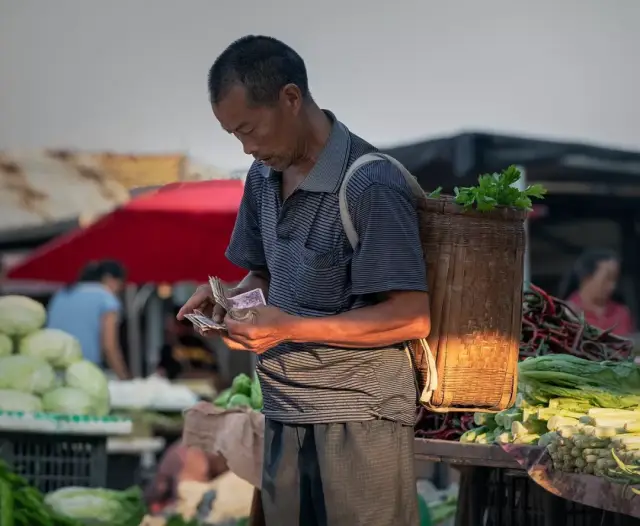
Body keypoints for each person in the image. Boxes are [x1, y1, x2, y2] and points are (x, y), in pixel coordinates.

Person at [178, 36, 430, 526]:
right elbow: (265, 277)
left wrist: (290, 326)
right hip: (283, 411)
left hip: (360, 419)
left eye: (250, 129)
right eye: (235, 136)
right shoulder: (261, 178)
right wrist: (227, 299)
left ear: (291, 99)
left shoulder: (370, 183)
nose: (248, 147)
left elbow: (410, 315)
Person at [47, 259, 131, 379]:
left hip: (53, 368)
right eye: (120, 285)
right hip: (85, 372)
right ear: (110, 279)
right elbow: (109, 346)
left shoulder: (61, 294)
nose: (119, 290)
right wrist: (124, 378)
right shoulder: (106, 298)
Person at [559, 249, 634, 336]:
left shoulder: (622, 313)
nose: (612, 286)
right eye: (608, 278)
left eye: (615, 279)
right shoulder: (566, 312)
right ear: (587, 277)